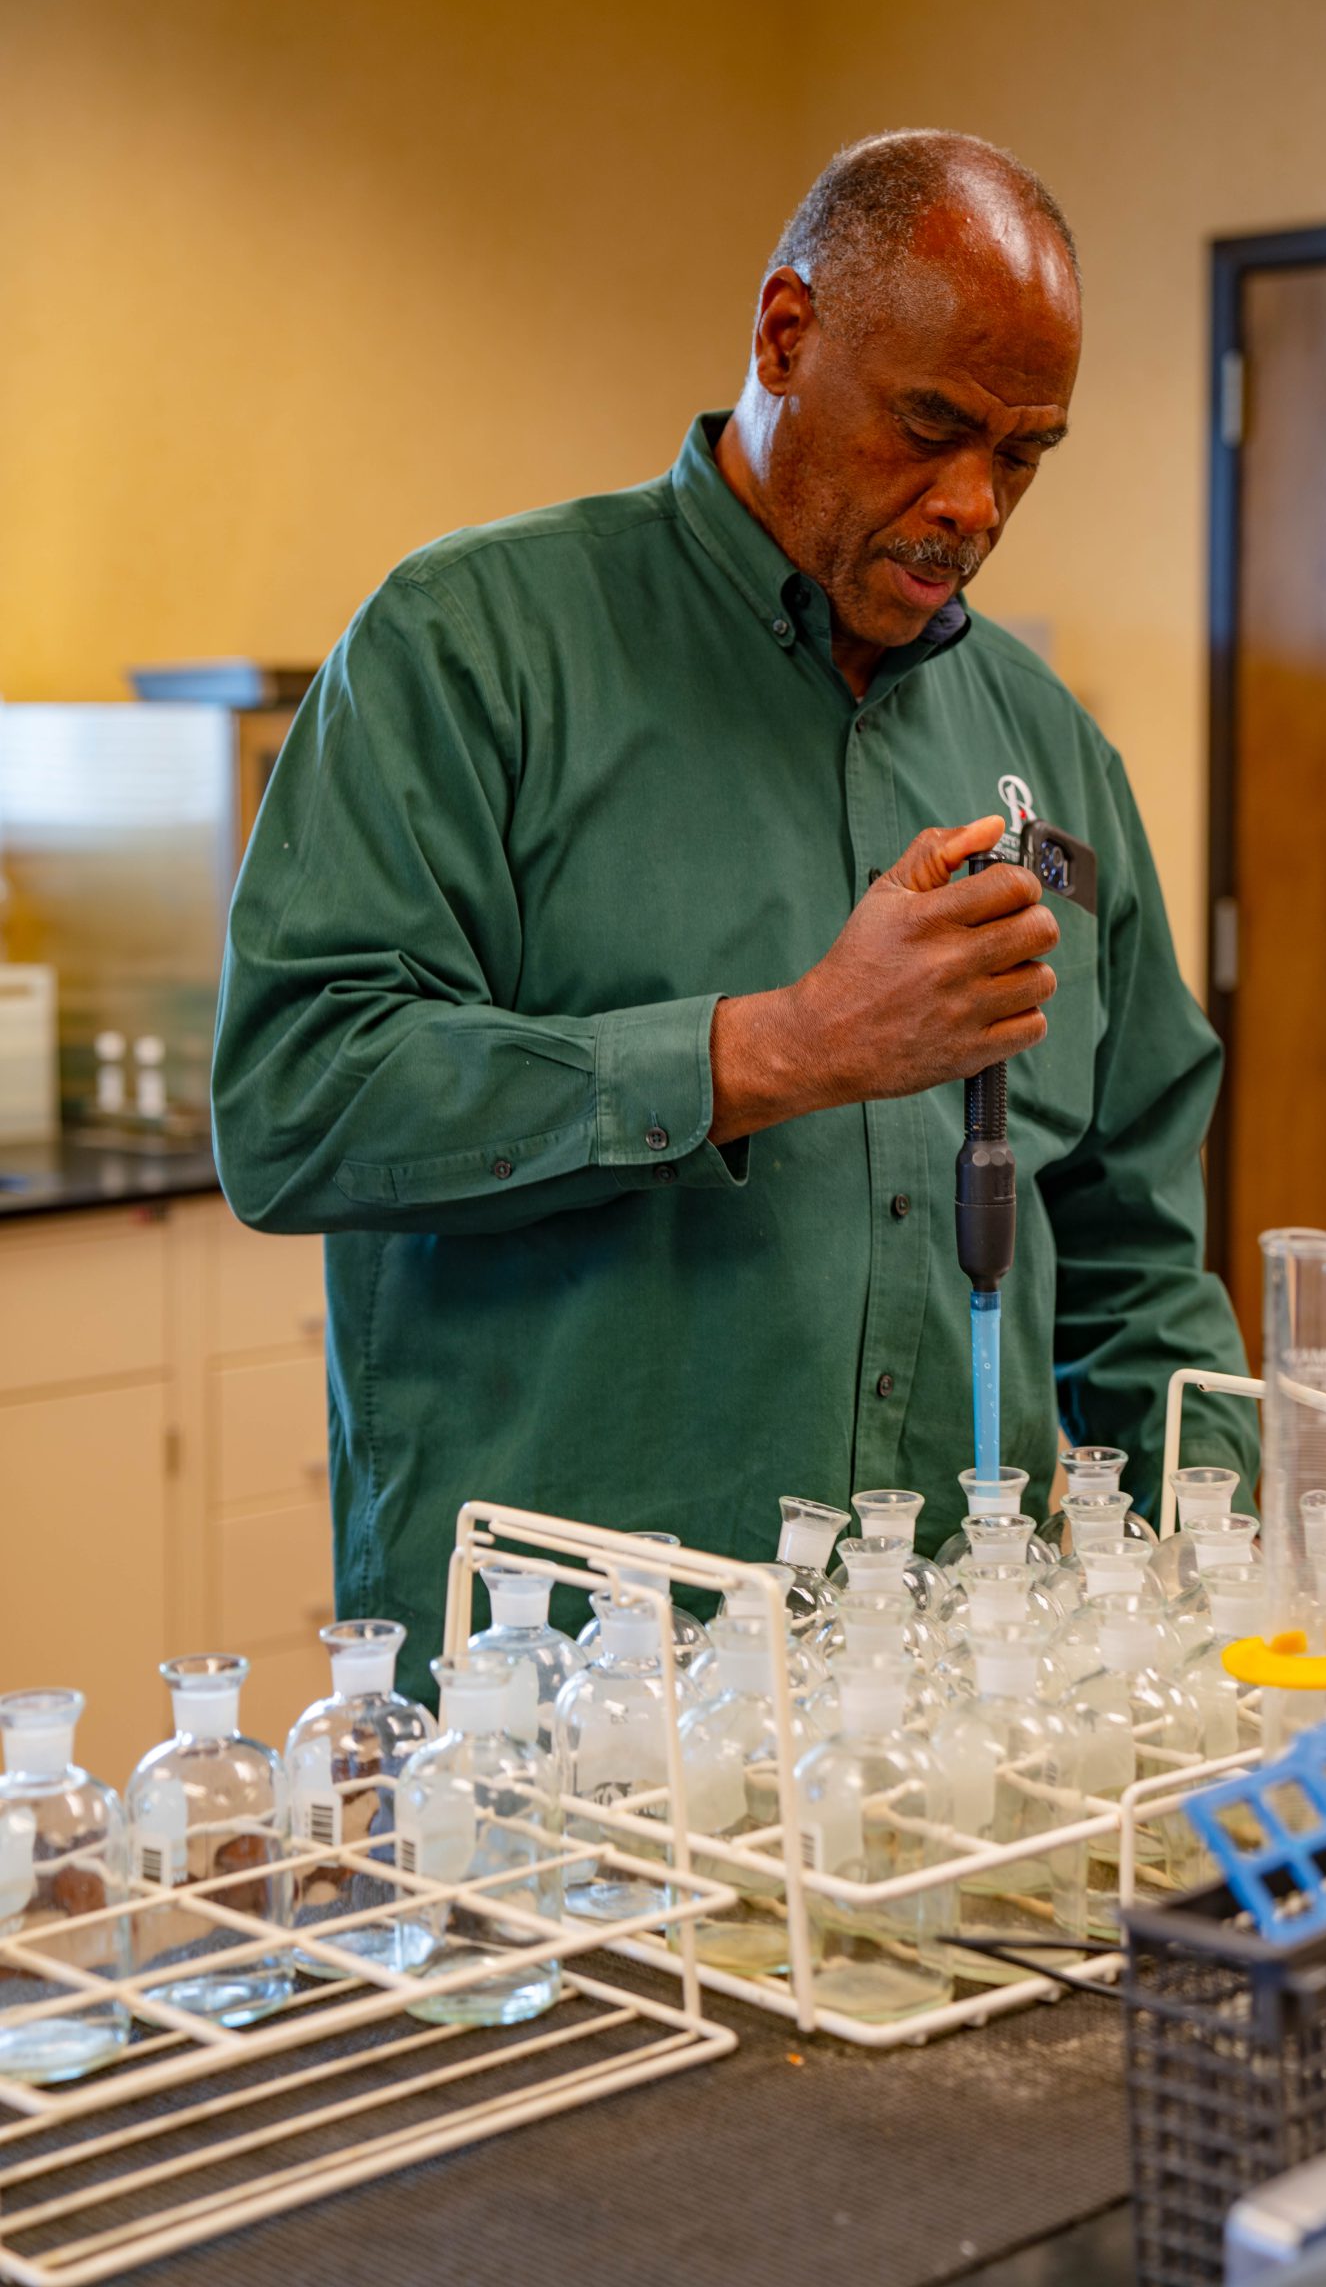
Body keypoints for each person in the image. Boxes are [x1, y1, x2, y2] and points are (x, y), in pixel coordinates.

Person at [213, 129, 1256, 1696]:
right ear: (785, 333)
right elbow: (294, 1102)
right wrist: (785, 1047)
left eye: (1023, 453)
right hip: (573, 1714)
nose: (971, 503)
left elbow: (1133, 1239)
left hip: (952, 1710)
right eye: (931, 426)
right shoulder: (470, 651)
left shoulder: (1048, 748)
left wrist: (1218, 1566)